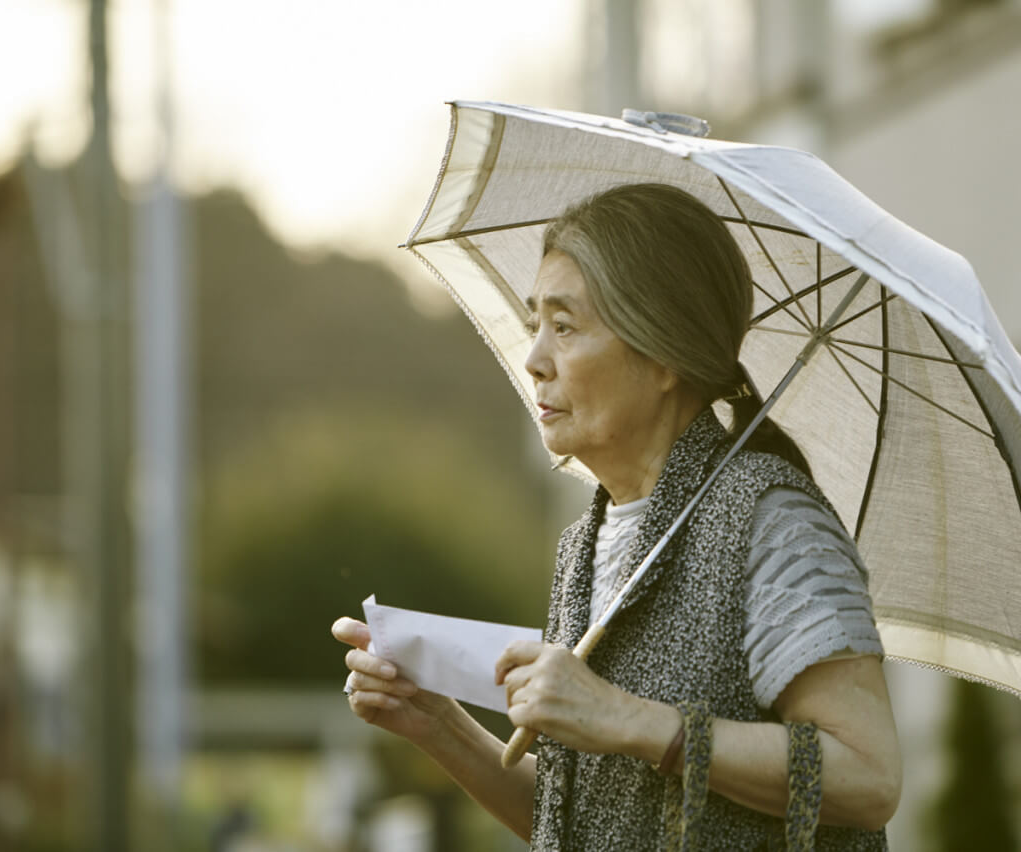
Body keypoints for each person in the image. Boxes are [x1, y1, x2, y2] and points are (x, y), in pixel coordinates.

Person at [332, 183, 901, 850]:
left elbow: (869, 778)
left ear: (662, 353)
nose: (535, 360)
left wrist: (626, 718)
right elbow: (584, 825)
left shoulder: (774, 523)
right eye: (534, 325)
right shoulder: (586, 542)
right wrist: (438, 725)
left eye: (565, 327)